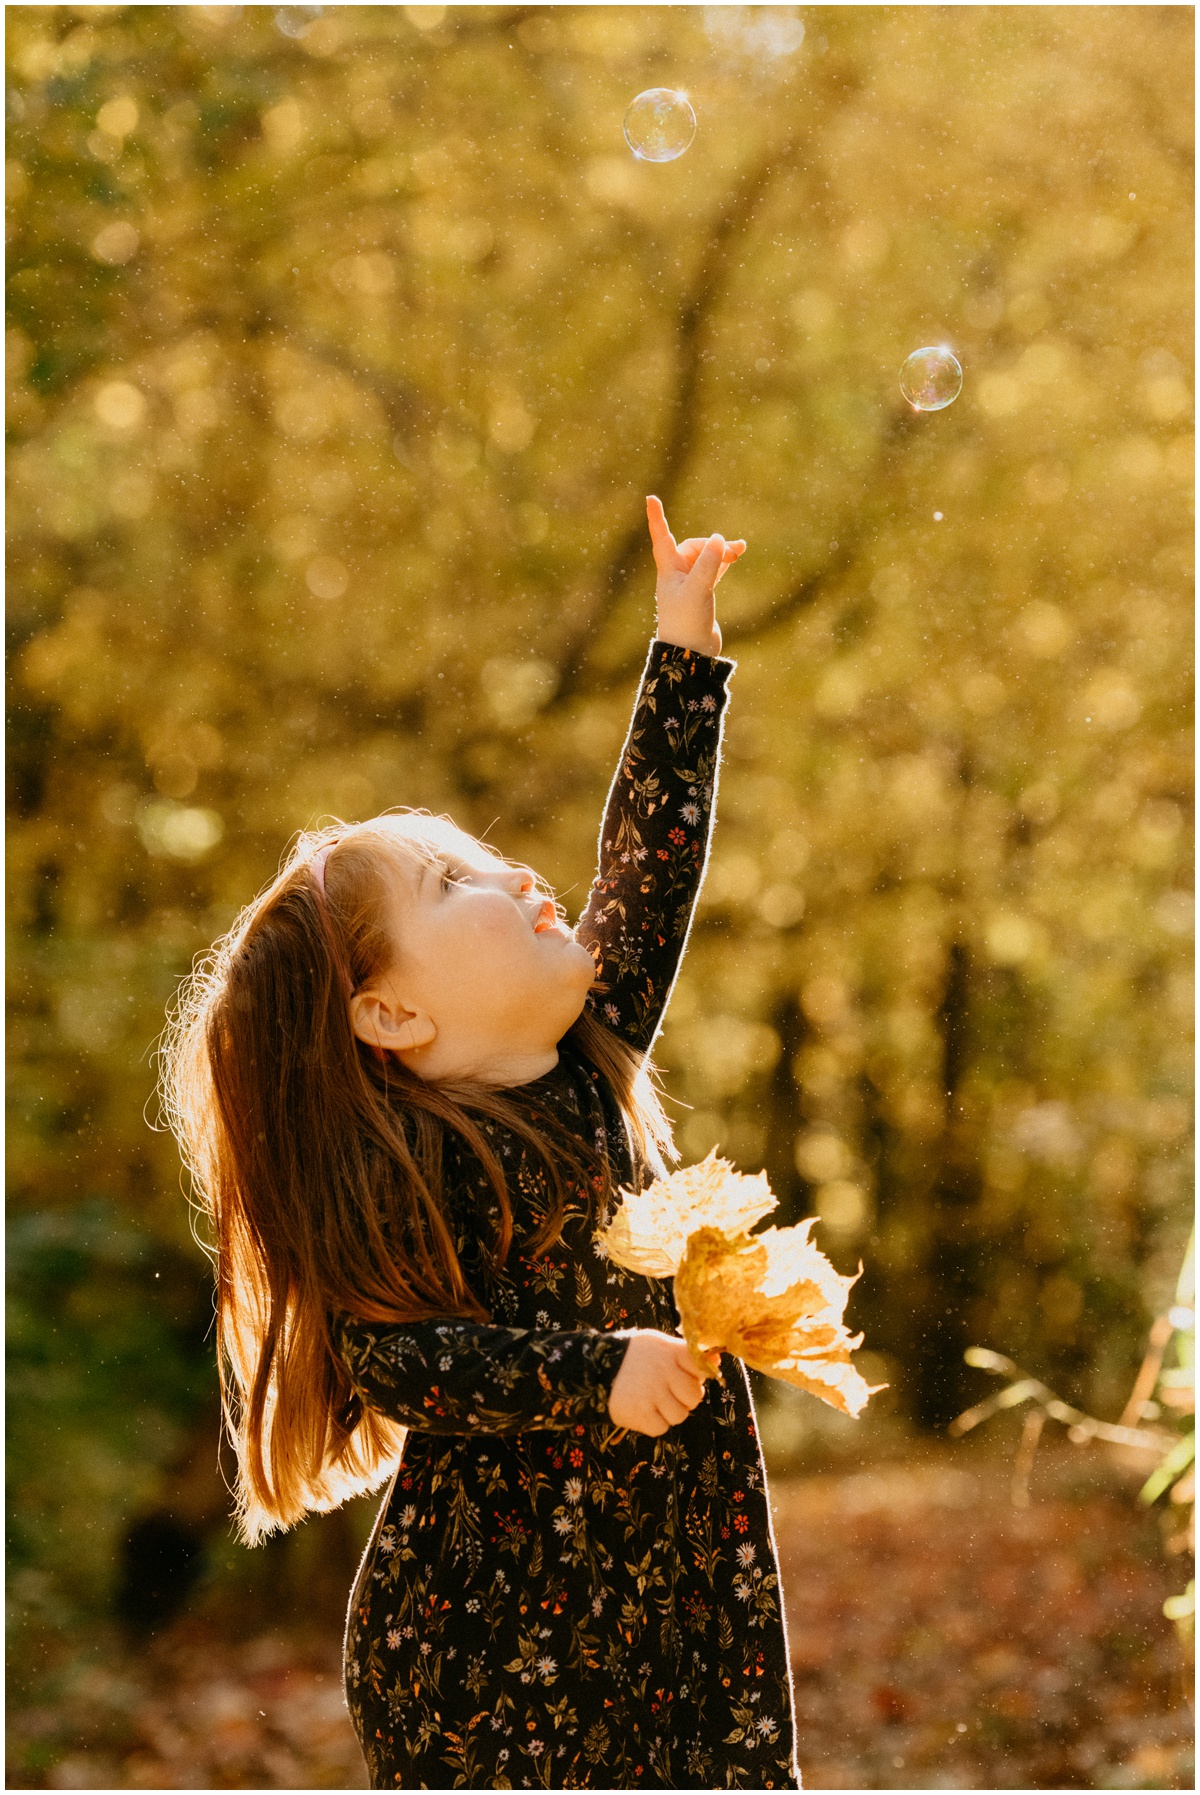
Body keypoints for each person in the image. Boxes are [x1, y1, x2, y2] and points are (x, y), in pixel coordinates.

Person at [163, 496, 802, 1791]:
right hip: (495, 1656)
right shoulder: (422, 1159)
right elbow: (395, 1361)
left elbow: (648, 867)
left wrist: (683, 652)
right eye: (455, 885)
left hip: (672, 1607)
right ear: (391, 1013)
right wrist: (590, 1374)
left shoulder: (592, 1055)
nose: (517, 876)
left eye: (490, 859)